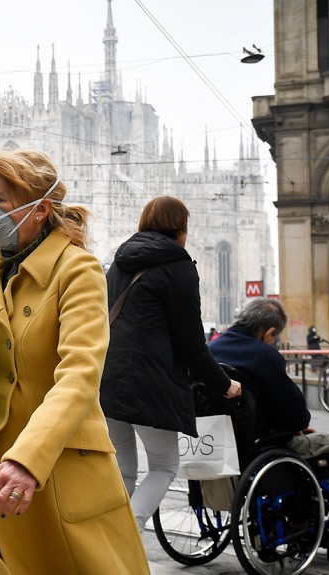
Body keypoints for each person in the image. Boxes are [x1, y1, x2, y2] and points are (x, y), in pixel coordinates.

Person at [0, 149, 149, 574]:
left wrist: (28, 458)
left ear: (40, 209)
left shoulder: (77, 269)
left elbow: (80, 374)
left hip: (54, 469)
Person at [100, 196, 242, 531]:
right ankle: (124, 541)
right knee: (164, 466)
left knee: (123, 471)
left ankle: (104, 545)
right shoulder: (178, 267)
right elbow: (192, 343)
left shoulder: (119, 263)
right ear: (180, 227)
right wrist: (224, 384)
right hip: (150, 384)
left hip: (107, 380)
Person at [209, 298, 329, 477]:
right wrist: (301, 426)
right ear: (269, 332)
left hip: (215, 442)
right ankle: (316, 500)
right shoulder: (266, 356)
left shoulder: (209, 351)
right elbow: (296, 417)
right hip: (259, 446)